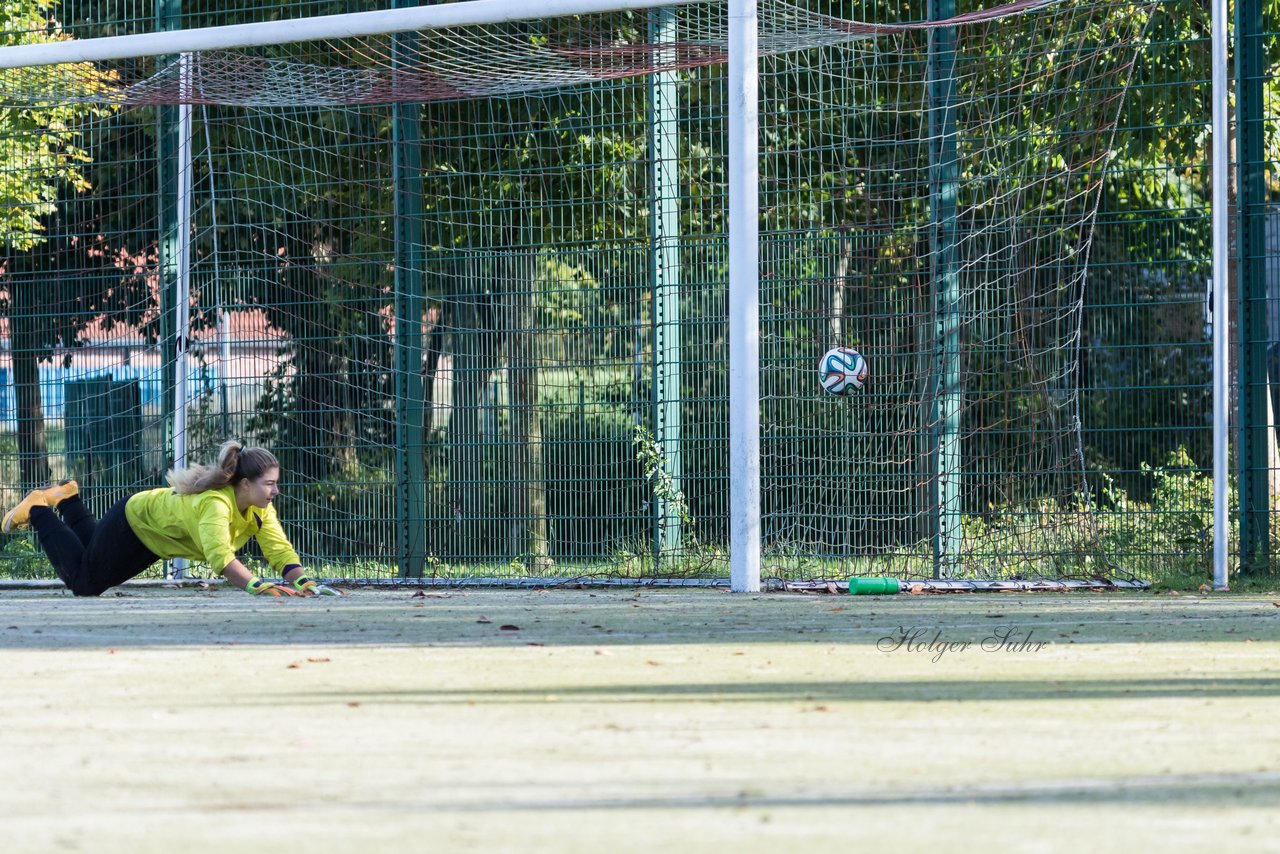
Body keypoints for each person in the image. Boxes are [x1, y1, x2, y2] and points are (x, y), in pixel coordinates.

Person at [2, 440, 340, 597]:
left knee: (92, 553)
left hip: (153, 534)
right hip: (137, 521)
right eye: (270, 484)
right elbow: (220, 557)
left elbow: (278, 548)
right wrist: (256, 585)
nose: (275, 491)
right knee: (85, 584)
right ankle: (39, 510)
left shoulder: (261, 508)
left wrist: (302, 581)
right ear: (246, 484)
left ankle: (68, 499)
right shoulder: (215, 506)